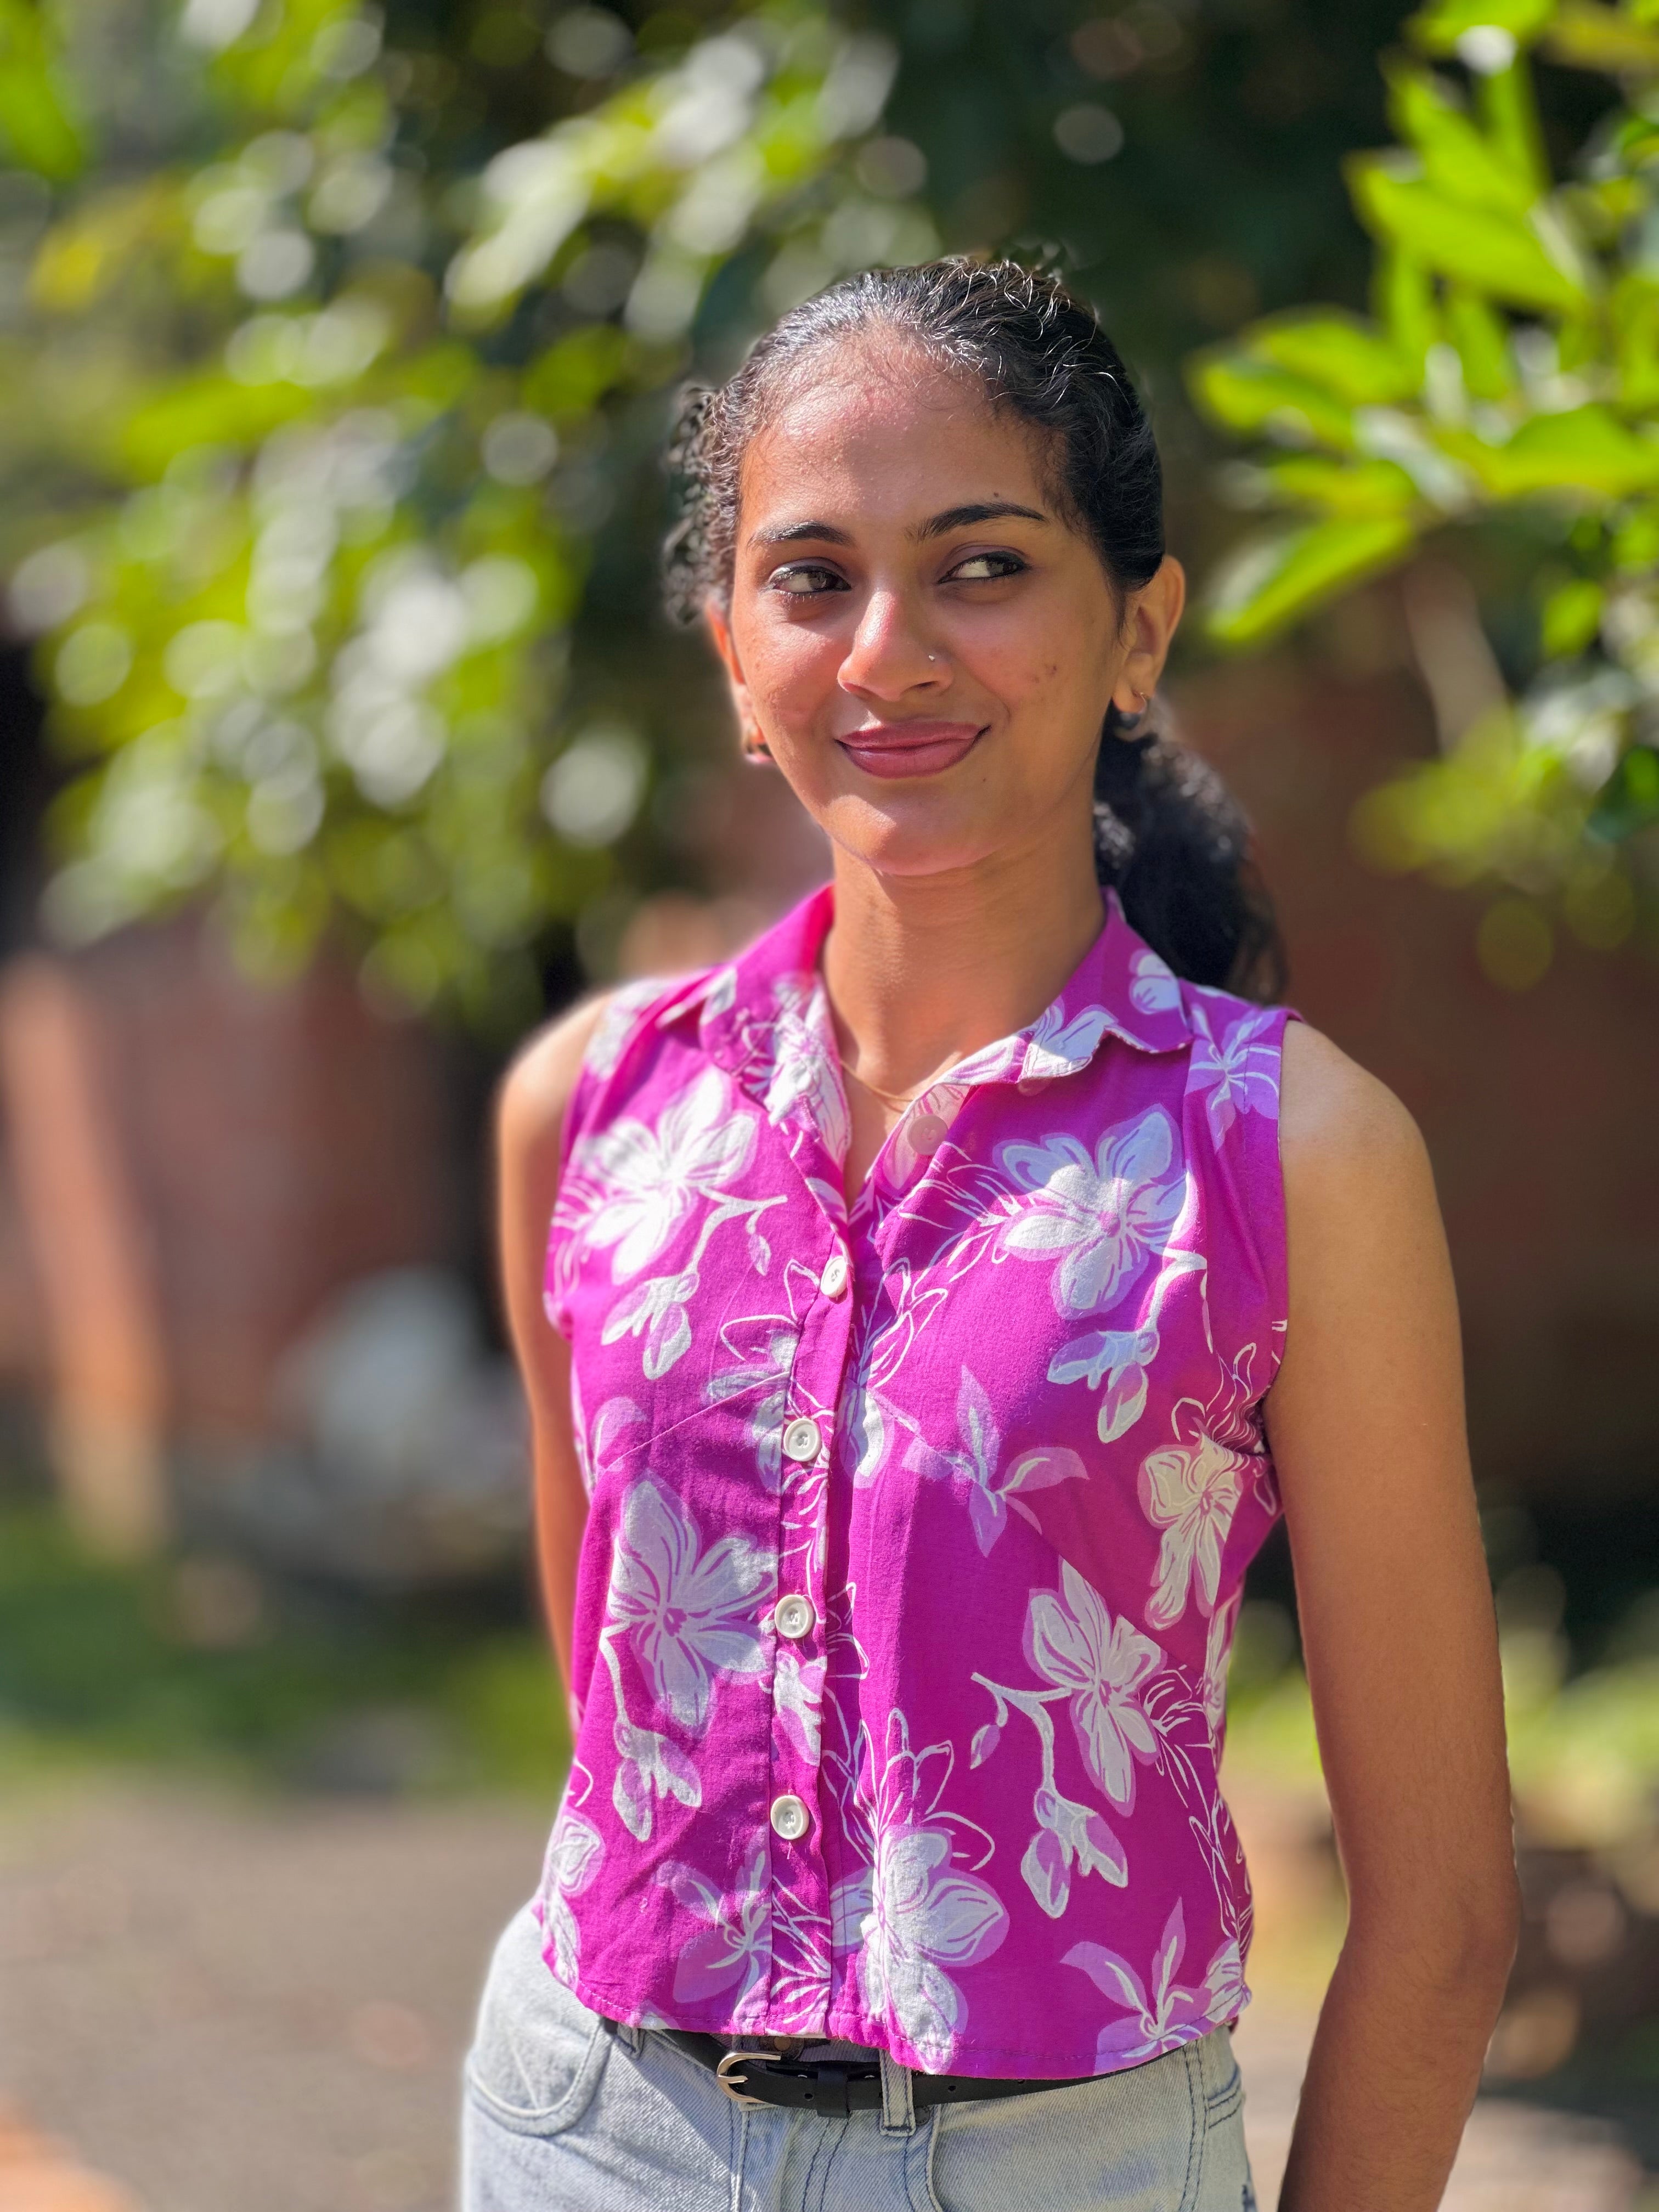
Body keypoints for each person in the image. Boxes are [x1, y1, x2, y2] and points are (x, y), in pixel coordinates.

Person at [473, 259, 1518, 2212]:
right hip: (585, 2136)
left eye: (980, 566)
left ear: (1138, 631)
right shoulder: (594, 1117)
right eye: (811, 578)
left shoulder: (1295, 1157)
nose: (887, 652)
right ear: (730, 648)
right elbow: (617, 1724)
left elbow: (1447, 1913)